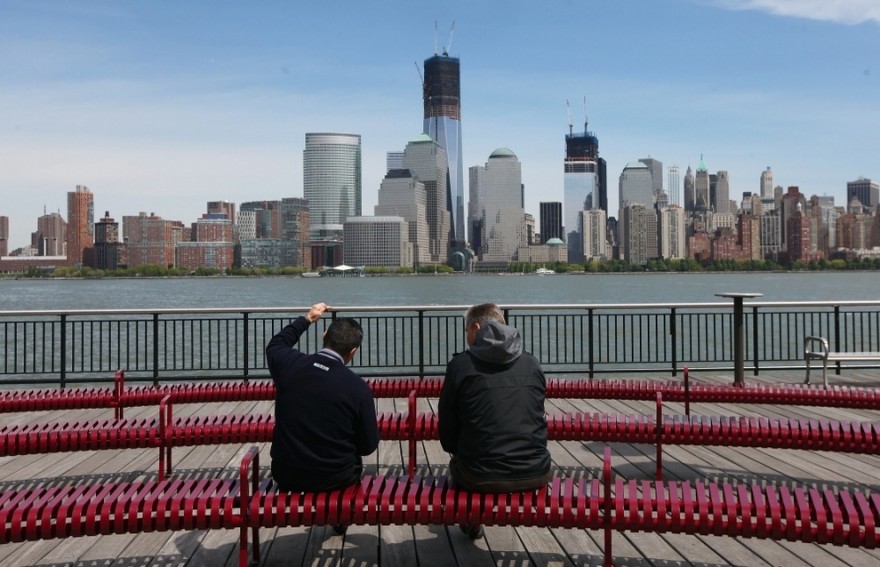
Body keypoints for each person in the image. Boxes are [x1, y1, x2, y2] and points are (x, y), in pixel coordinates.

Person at [438, 302, 552, 540]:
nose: (466, 336)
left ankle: (471, 519)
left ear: (476, 328)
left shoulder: (460, 365)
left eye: (466, 330)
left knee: (457, 467)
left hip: (477, 475)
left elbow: (447, 432)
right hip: (536, 470)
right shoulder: (531, 363)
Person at [266, 302, 379, 499]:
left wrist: (308, 318)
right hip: (336, 477)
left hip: (286, 473)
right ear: (352, 352)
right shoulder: (357, 387)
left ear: (324, 335)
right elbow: (368, 446)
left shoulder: (289, 365)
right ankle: (339, 520)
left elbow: (276, 344)